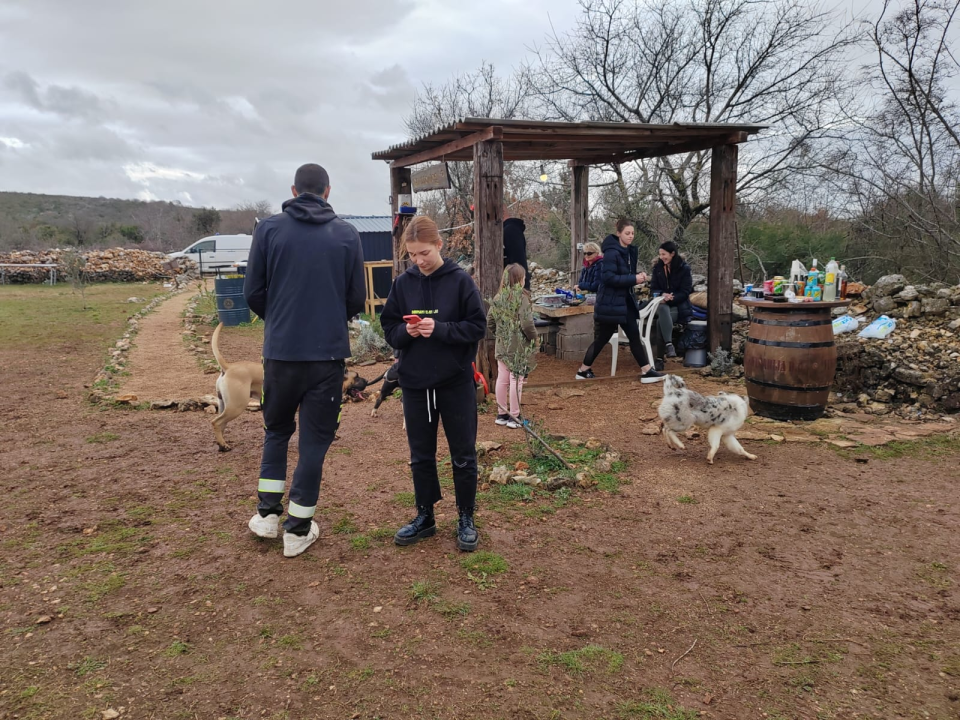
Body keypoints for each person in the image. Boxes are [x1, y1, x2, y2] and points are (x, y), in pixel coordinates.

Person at [243, 163, 365, 558]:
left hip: (280, 355)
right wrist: (327, 321)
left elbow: (252, 291)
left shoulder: (268, 230)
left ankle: (266, 516)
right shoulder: (347, 234)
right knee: (314, 442)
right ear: (328, 191)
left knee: (276, 431)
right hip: (327, 357)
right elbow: (356, 298)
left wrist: (282, 321)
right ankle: (296, 532)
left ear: (294, 190)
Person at [380, 216, 487, 552]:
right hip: (415, 383)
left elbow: (477, 327)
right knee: (421, 456)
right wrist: (406, 331)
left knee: (463, 455)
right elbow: (389, 329)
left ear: (439, 245)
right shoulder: (403, 284)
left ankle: (466, 517)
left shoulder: (461, 281)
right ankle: (424, 515)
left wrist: (439, 329)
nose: (419, 260)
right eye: (412, 255)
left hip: (455, 382)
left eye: (424, 253)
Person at [575, 219, 665, 384]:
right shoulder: (611, 253)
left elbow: (623, 275)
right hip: (611, 304)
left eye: (632, 233)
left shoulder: (627, 252)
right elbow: (608, 278)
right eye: (627, 233)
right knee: (603, 338)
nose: (631, 236)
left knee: (634, 336)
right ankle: (583, 370)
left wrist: (637, 276)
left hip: (624, 303)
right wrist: (634, 279)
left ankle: (647, 371)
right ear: (619, 234)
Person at [487, 264, 537, 429]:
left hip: (502, 346)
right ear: (520, 280)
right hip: (518, 348)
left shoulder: (498, 297)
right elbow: (527, 323)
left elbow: (490, 321)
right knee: (517, 380)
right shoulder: (522, 298)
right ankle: (515, 417)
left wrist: (500, 335)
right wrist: (534, 339)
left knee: (502, 379)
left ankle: (502, 414)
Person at [649, 240, 694, 358]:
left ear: (672, 254)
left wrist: (671, 298)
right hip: (659, 304)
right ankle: (669, 345)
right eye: (660, 254)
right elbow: (653, 289)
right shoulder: (658, 268)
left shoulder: (684, 269)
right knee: (663, 308)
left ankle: (659, 359)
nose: (661, 257)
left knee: (660, 322)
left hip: (677, 306)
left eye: (664, 254)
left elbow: (685, 291)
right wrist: (662, 295)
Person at [503, 214, 531, 291]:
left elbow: (519, 263)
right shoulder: (507, 230)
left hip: (514, 288)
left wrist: (523, 289)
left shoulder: (510, 231)